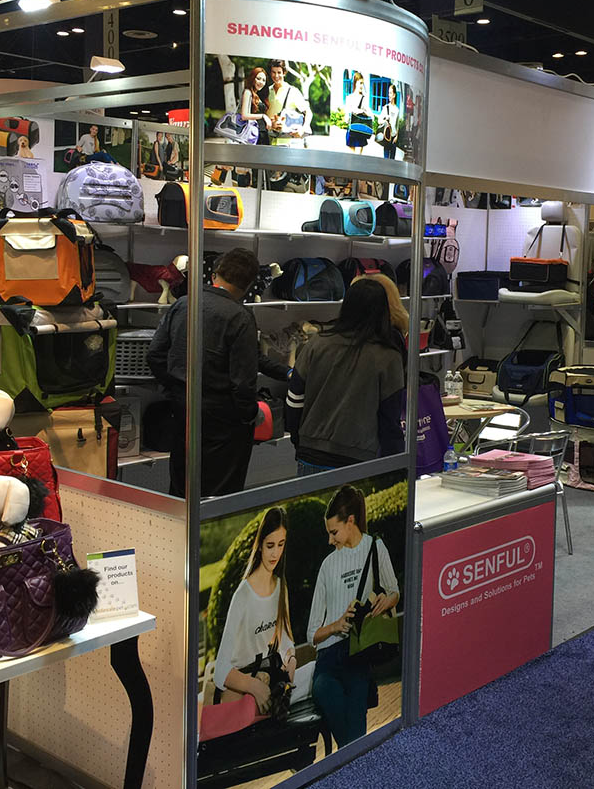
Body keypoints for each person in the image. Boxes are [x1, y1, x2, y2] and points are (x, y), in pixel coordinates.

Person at [147, 248, 261, 497]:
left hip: (183, 409)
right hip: (225, 420)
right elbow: (243, 383)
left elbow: (155, 355)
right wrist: (251, 415)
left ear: (215, 273)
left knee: (181, 488)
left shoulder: (183, 303)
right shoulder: (241, 317)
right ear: (249, 284)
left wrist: (174, 389)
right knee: (220, 495)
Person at [308, 485, 400, 749]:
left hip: (358, 654)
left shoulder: (375, 547)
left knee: (354, 723)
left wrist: (386, 600)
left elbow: (394, 591)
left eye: (333, 532)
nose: (330, 540)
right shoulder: (327, 566)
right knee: (325, 690)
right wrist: (336, 625)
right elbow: (312, 634)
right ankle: (357, 760)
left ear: (350, 521)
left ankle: (351, 760)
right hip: (327, 659)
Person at [286, 280, 405, 476]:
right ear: (383, 311)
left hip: (311, 451)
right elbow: (390, 418)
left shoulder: (317, 344)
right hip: (360, 455)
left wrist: (298, 440)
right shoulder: (388, 356)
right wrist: (395, 464)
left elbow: (295, 398)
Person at [212, 507, 303, 713]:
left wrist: (291, 660)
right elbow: (221, 670)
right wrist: (255, 687)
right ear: (260, 545)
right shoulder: (243, 594)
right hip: (241, 688)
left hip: (269, 678)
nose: (275, 553)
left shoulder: (281, 587)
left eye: (281, 544)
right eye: (270, 545)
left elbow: (286, 641)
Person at [265, 59, 311, 147]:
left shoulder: (293, 91)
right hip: (269, 141)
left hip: (287, 142)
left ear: (284, 73)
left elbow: (308, 112)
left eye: (279, 72)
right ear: (270, 73)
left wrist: (303, 129)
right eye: (273, 72)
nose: (276, 76)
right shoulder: (267, 91)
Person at [238, 67, 271, 145]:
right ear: (252, 78)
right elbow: (244, 116)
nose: (261, 82)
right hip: (253, 135)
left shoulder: (259, 95)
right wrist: (263, 116)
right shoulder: (247, 92)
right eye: (258, 79)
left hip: (262, 134)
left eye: (264, 80)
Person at [343, 71, 372, 154]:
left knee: (359, 156)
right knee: (351, 156)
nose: (362, 86)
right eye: (360, 83)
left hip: (360, 130)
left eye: (363, 83)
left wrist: (363, 111)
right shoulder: (349, 98)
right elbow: (346, 116)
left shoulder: (364, 98)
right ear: (355, 83)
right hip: (352, 129)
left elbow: (370, 114)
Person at [378, 83, 400, 160]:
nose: (389, 95)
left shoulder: (397, 110)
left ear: (394, 95)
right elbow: (379, 121)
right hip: (387, 137)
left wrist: (396, 136)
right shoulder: (385, 107)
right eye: (388, 93)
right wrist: (385, 119)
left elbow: (397, 125)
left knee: (392, 160)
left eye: (390, 93)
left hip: (394, 139)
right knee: (386, 159)